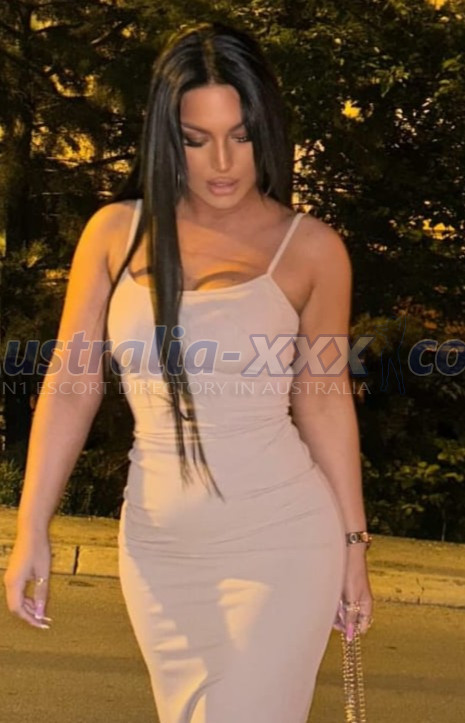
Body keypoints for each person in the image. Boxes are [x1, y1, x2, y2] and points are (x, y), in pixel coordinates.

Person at [3, 20, 374, 722]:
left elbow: (324, 401)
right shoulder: (115, 234)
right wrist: (32, 527)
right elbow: (72, 386)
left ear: (266, 129)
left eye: (240, 135)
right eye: (196, 138)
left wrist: (354, 546)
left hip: (280, 542)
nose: (222, 162)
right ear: (166, 138)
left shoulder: (312, 250)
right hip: (158, 551)